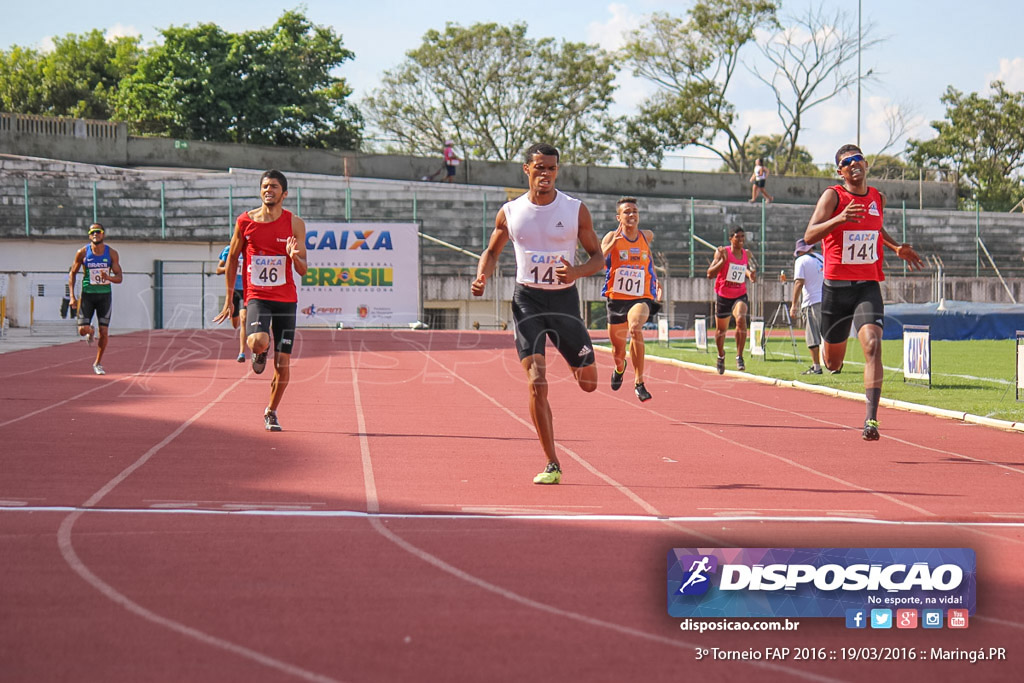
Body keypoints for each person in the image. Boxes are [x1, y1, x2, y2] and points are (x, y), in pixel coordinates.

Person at [471, 143, 603, 485]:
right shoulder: (511, 212)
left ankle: (577, 362)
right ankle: (552, 462)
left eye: (552, 169)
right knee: (536, 382)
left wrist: (576, 271)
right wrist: (482, 275)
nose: (546, 174)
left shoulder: (575, 210)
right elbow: (491, 251)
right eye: (540, 168)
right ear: (526, 170)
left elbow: (598, 259)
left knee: (589, 384)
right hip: (527, 301)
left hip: (564, 302)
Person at [804, 144, 923, 441]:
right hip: (835, 289)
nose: (854, 164)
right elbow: (809, 235)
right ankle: (830, 350)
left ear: (866, 163)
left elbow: (874, 229)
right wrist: (840, 218)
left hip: (867, 286)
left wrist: (896, 247)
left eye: (857, 159)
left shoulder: (877, 197)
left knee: (872, 345)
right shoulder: (833, 196)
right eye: (847, 161)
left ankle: (871, 420)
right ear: (840, 171)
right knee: (832, 363)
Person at [214, 170, 308, 432]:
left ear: (284, 194)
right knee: (257, 339)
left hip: (286, 300)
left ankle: (271, 411)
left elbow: (303, 270)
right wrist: (229, 298)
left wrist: (293, 256)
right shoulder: (245, 221)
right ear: (260, 191)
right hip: (258, 296)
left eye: (274, 187)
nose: (269, 190)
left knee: (283, 365)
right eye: (265, 186)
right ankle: (259, 351)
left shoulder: (295, 224)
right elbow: (232, 258)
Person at [601, 197, 662, 402]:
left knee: (635, 327)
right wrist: (612, 243)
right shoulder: (611, 236)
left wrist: (656, 279)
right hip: (616, 298)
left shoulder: (647, 236)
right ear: (619, 217)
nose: (632, 215)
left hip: (641, 296)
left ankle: (639, 383)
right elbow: (598, 260)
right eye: (627, 212)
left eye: (635, 211)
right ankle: (620, 368)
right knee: (618, 352)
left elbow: (647, 256)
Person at [68, 223, 123, 375]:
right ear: (89, 235)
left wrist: (109, 278)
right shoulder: (82, 253)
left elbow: (120, 278)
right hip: (87, 295)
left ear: (103, 234)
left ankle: (98, 363)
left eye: (98, 232)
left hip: (104, 296)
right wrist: (72, 296)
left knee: (104, 331)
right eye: (92, 232)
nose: (95, 234)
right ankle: (90, 330)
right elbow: (72, 273)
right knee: (82, 331)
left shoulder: (111, 254)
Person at [706, 227, 756, 374]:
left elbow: (742, 268)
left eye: (742, 236)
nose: (741, 239)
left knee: (741, 318)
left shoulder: (747, 253)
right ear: (731, 239)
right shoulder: (722, 252)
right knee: (721, 330)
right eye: (737, 237)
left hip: (739, 293)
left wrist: (749, 275)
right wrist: (722, 261)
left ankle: (739, 356)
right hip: (723, 295)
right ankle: (721, 356)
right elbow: (710, 274)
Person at [790, 238, 825, 375]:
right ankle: (834, 365)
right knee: (828, 335)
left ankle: (816, 366)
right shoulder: (822, 258)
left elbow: (799, 282)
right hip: (828, 300)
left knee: (812, 336)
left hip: (812, 301)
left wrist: (794, 304)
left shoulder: (801, 261)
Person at [216, 243, 248, 362]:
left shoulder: (250, 249)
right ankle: (243, 320)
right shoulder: (228, 250)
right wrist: (231, 267)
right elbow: (218, 269)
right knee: (235, 324)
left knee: (244, 318)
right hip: (234, 290)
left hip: (247, 289)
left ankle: (242, 353)